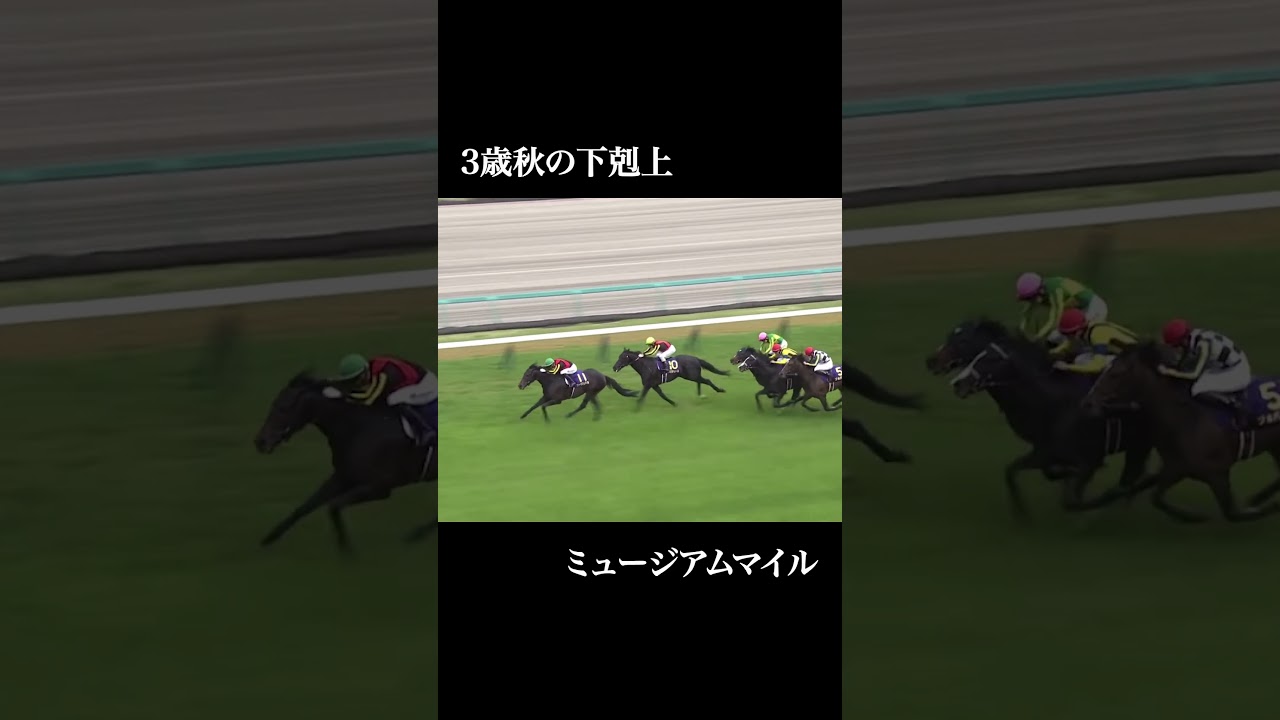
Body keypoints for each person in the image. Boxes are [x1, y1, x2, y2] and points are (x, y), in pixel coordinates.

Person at [333, 353, 436, 447]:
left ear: (365, 370)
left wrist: (343, 397)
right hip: (411, 383)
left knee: (393, 399)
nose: (356, 383)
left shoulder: (383, 374)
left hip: (426, 386)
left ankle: (425, 430)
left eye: (357, 378)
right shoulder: (372, 369)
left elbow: (370, 397)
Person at [1157, 319, 1251, 421]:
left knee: (1197, 390)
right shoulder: (1193, 336)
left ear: (1183, 341)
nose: (1176, 349)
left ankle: (1235, 405)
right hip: (1226, 365)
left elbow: (1194, 375)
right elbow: (1184, 361)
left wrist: (1169, 372)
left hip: (1237, 372)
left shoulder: (1203, 345)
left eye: (1176, 345)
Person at [1015, 272, 1108, 344]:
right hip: (1080, 312)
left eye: (1030, 298)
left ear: (1039, 291)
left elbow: (1055, 316)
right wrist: (1021, 333)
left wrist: (1039, 336)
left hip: (1094, 307)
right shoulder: (1042, 291)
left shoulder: (1054, 289)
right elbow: (1028, 312)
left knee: (1084, 335)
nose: (1030, 301)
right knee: (1054, 338)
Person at [1048, 308, 1139, 375]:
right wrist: (1052, 353)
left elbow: (1097, 366)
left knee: (1084, 361)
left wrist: (1067, 367)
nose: (1067, 337)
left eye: (1068, 334)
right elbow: (1069, 344)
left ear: (1078, 332)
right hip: (1124, 354)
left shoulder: (1097, 333)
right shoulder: (1087, 329)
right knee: (1081, 358)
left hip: (1136, 358)